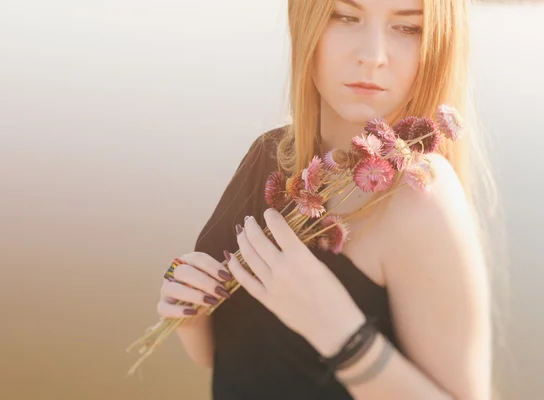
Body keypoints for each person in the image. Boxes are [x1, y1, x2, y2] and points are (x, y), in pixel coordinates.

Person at [156, 0, 502, 398]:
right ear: (304, 21)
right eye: (346, 17)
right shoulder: (267, 155)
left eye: (407, 28)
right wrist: (188, 316)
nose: (372, 57)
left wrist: (344, 337)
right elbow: (234, 358)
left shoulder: (419, 194)